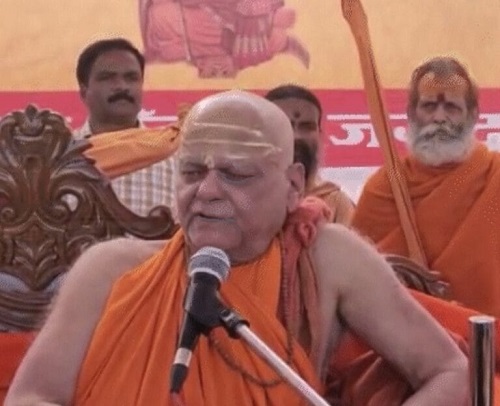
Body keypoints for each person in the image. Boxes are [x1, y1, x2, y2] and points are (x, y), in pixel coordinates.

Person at [5, 91, 467, 405]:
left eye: (236, 174)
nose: (206, 192)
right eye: (192, 173)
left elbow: (450, 372)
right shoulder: (111, 270)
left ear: (293, 186)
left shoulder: (324, 259)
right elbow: (31, 396)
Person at [352, 56, 500, 317]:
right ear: (411, 113)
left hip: (490, 332)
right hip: (404, 334)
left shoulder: (494, 176)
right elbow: (358, 278)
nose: (439, 117)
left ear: (474, 115)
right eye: (429, 106)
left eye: (452, 107)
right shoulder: (384, 188)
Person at [74, 38, 176, 217]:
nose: (122, 87)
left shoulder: (172, 157)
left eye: (131, 78)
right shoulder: (60, 156)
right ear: (84, 92)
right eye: (107, 78)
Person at [139, 0, 310, 78]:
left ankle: (274, 41)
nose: (218, 72)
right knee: (161, 15)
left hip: (240, 20)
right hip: (194, 17)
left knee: (281, 19)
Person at [266, 84, 355, 225]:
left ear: (320, 135)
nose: (296, 136)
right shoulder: (244, 196)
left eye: (307, 127)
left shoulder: (336, 203)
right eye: (285, 125)